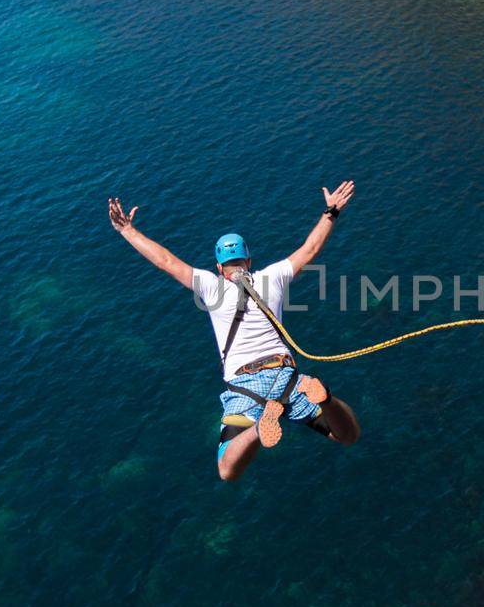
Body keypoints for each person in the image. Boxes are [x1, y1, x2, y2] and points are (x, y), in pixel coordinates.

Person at [107, 182, 362, 481]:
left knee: (227, 469)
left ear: (219, 268)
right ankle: (327, 398)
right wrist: (331, 211)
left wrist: (127, 231)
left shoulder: (210, 287)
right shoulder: (272, 278)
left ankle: (257, 427)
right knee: (347, 436)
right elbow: (311, 249)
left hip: (244, 383)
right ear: (249, 261)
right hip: (288, 376)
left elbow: (166, 261)